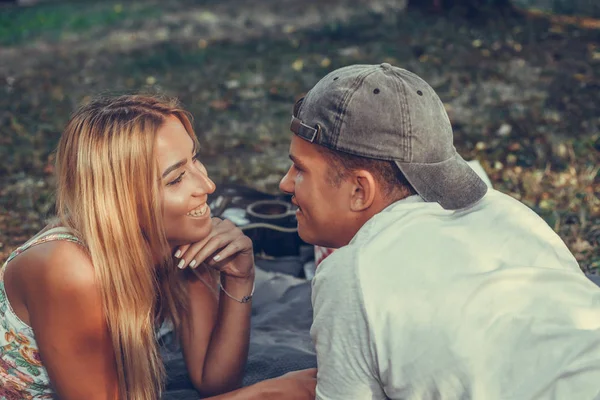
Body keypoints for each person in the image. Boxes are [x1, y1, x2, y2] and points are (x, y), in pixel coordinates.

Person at [279, 63, 600, 399]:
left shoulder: (351, 275)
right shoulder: (513, 214)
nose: (285, 183)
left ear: (360, 191)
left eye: (300, 169)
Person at [0, 95, 316, 400]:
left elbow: (213, 380)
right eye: (176, 178)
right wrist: (269, 392)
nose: (207, 185)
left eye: (194, 159)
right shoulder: (68, 269)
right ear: (122, 201)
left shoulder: (179, 240)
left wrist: (240, 277)